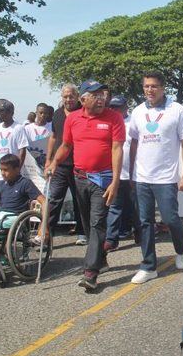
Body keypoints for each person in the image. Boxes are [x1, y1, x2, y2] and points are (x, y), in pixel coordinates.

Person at [46, 80, 125, 291]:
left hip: (103, 179)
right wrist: (54, 162)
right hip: (79, 178)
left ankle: (90, 273)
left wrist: (115, 182)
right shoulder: (72, 119)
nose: (101, 98)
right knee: (88, 223)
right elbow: (66, 145)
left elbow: (117, 150)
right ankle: (101, 255)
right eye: (95, 95)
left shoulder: (114, 118)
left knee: (98, 222)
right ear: (83, 99)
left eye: (102, 94)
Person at [128, 71, 183, 284]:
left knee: (171, 219)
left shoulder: (177, 110)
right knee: (144, 222)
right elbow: (134, 143)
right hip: (142, 176)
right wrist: (131, 173)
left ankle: (181, 250)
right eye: (146, 86)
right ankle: (148, 266)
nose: (149, 90)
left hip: (166, 177)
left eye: (154, 86)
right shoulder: (137, 111)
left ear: (163, 88)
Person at [45, 85, 86, 245]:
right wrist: (49, 160)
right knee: (54, 198)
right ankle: (47, 232)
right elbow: (53, 137)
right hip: (60, 165)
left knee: (80, 200)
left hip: (78, 163)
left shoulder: (83, 112)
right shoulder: (57, 114)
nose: (68, 99)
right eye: (65, 96)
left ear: (77, 97)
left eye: (71, 96)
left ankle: (82, 232)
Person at [105, 95, 140, 248]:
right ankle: (111, 239)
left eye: (118, 107)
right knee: (114, 207)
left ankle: (140, 234)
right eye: (112, 107)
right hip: (115, 174)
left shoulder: (134, 122)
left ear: (126, 107)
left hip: (134, 173)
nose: (114, 110)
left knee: (137, 208)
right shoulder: (108, 121)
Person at [0, 99, 29, 182]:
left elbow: (22, 151)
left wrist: (17, 170)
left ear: (10, 112)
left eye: (1, 110)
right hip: (0, 174)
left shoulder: (18, 128)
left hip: (13, 173)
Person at [24, 103, 52, 168]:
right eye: (41, 113)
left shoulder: (52, 127)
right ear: (36, 113)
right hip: (31, 163)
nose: (43, 115)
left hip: (46, 162)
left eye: (45, 113)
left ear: (48, 114)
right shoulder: (27, 128)